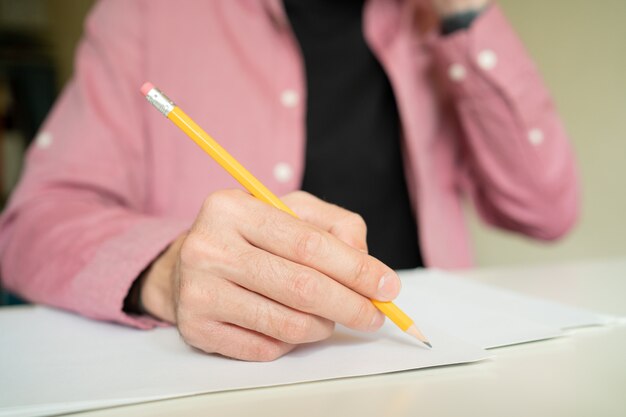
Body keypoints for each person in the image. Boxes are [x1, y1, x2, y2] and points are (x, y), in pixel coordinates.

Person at [0, 0, 578, 361]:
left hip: (424, 372)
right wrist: (166, 269)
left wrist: (466, 12)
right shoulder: (146, 14)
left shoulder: (429, 24)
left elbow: (547, 210)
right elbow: (31, 223)